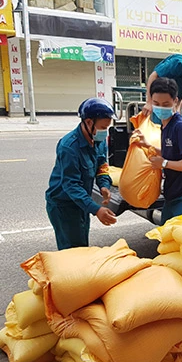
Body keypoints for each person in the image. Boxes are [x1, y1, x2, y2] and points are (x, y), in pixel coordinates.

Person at [45, 98, 117, 250]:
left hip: (81, 203)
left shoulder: (99, 140)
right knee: (72, 252)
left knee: (82, 246)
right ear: (89, 122)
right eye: (103, 127)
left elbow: (102, 165)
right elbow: (71, 185)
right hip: (64, 206)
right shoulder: (69, 147)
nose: (105, 132)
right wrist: (96, 209)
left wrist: (104, 185)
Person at [134, 77, 182, 224]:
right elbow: (172, 154)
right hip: (173, 195)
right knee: (166, 239)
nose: (160, 108)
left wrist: (164, 163)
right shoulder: (165, 125)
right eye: (156, 104)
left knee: (179, 241)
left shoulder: (180, 127)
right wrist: (148, 146)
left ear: (175, 101)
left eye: (166, 104)